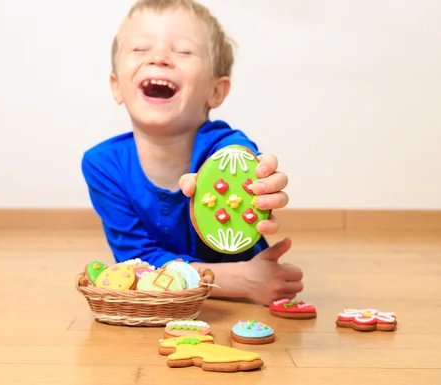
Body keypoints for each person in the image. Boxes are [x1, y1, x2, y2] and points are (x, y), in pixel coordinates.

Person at [80, 0, 303, 305]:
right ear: (117, 86)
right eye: (141, 49)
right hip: (231, 285)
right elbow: (138, 264)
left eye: (183, 50)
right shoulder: (103, 166)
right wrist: (240, 280)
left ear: (216, 91)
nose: (159, 58)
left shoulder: (228, 150)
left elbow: (246, 166)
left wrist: (265, 186)